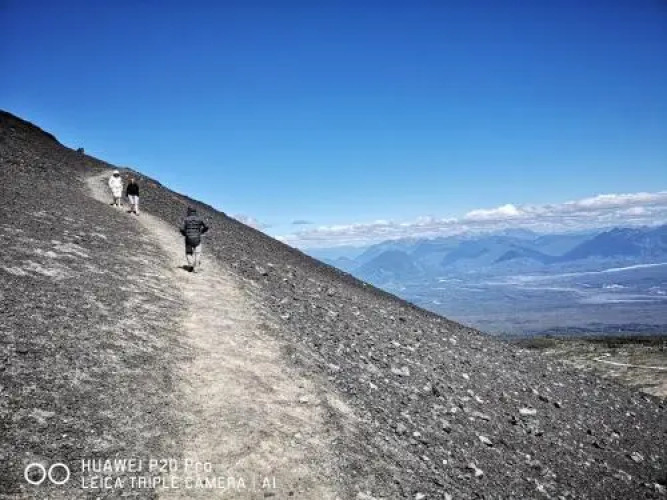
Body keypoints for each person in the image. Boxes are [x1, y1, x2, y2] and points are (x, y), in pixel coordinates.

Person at [180, 207, 209, 273]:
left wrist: (185, 234)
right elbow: (206, 227)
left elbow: (181, 229)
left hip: (188, 239)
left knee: (188, 252)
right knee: (198, 253)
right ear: (195, 212)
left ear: (189, 211)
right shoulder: (200, 219)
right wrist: (201, 232)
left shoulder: (185, 219)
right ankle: (196, 268)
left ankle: (191, 265)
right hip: (197, 239)